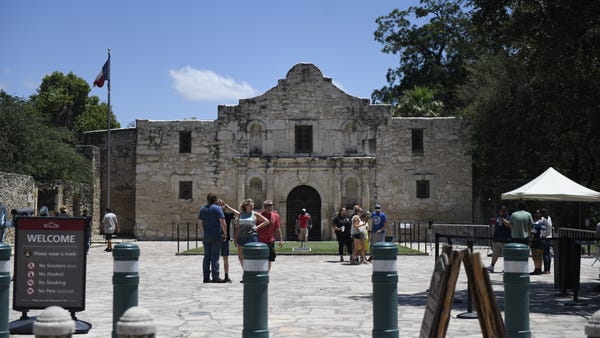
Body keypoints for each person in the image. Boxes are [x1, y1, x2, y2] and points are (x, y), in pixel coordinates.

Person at [198, 192, 227, 283]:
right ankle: (215, 276)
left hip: (207, 235)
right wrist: (225, 233)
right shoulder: (217, 209)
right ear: (215, 200)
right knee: (215, 256)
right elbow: (222, 222)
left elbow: (200, 223)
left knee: (207, 256)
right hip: (216, 235)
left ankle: (206, 277)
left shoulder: (203, 209)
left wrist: (204, 233)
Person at [234, 199, 270, 269]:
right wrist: (235, 239)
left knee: (252, 256)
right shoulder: (240, 215)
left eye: (253, 205)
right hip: (241, 237)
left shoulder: (254, 214)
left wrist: (257, 227)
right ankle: (246, 272)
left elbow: (266, 221)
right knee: (241, 257)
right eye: (250, 205)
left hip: (251, 237)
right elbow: (237, 227)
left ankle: (253, 271)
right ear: (246, 206)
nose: (252, 207)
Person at [259, 200, 284, 271]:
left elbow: (278, 228)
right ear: (265, 207)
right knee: (261, 258)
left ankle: (266, 273)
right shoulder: (260, 215)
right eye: (269, 206)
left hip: (270, 240)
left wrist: (281, 240)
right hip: (260, 240)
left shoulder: (276, 216)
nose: (271, 207)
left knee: (269, 259)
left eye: (272, 205)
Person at [217, 199, 237, 283]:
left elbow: (238, 214)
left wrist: (229, 207)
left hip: (225, 239)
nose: (220, 206)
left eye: (221, 204)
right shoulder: (214, 215)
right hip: (216, 239)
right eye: (218, 205)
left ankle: (226, 276)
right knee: (215, 258)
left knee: (225, 258)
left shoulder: (227, 215)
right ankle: (216, 276)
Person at [487, 206, 512, 273]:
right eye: (500, 211)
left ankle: (506, 268)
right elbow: (496, 228)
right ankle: (492, 266)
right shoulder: (498, 218)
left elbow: (510, 226)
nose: (501, 212)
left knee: (506, 255)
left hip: (505, 240)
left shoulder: (509, 218)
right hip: (496, 240)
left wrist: (504, 221)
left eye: (503, 211)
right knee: (495, 254)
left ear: (505, 211)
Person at [540, 208, 553, 274]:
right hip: (550, 237)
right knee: (548, 253)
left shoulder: (543, 219)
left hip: (545, 238)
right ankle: (548, 269)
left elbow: (543, 229)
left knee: (545, 254)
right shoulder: (549, 218)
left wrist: (542, 236)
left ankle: (546, 270)